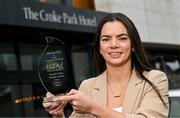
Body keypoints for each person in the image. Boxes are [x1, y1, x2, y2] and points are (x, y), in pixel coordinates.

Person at [43, 12, 169, 118]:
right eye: (106, 39)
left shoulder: (155, 79)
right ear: (100, 48)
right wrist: (59, 114)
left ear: (133, 45)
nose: (113, 44)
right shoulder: (87, 87)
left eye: (122, 38)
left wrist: (92, 107)